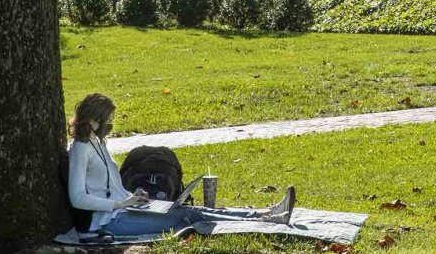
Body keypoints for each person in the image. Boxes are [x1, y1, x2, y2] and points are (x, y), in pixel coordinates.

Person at [67, 93, 297, 240]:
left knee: (195, 211)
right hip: (108, 221)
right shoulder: (80, 149)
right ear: (94, 119)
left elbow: (109, 186)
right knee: (189, 215)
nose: (110, 124)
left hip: (126, 209)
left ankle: (265, 212)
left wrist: (132, 195)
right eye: (107, 119)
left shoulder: (98, 143)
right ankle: (263, 222)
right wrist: (119, 203)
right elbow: (77, 198)